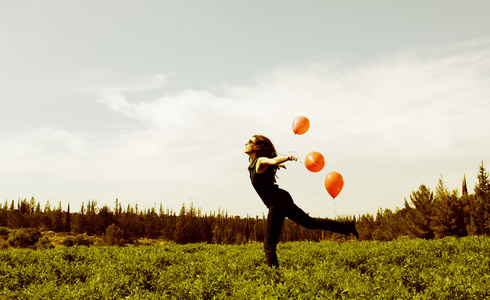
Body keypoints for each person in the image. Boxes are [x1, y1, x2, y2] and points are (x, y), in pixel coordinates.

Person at [245, 134, 358, 268]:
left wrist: (285, 158)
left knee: (269, 244)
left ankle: (274, 277)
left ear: (257, 147)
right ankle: (347, 227)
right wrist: (278, 164)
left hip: (277, 203)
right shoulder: (254, 163)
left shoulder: (260, 161)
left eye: (250, 142)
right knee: (310, 223)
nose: (246, 143)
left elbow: (272, 160)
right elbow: (271, 163)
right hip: (281, 200)